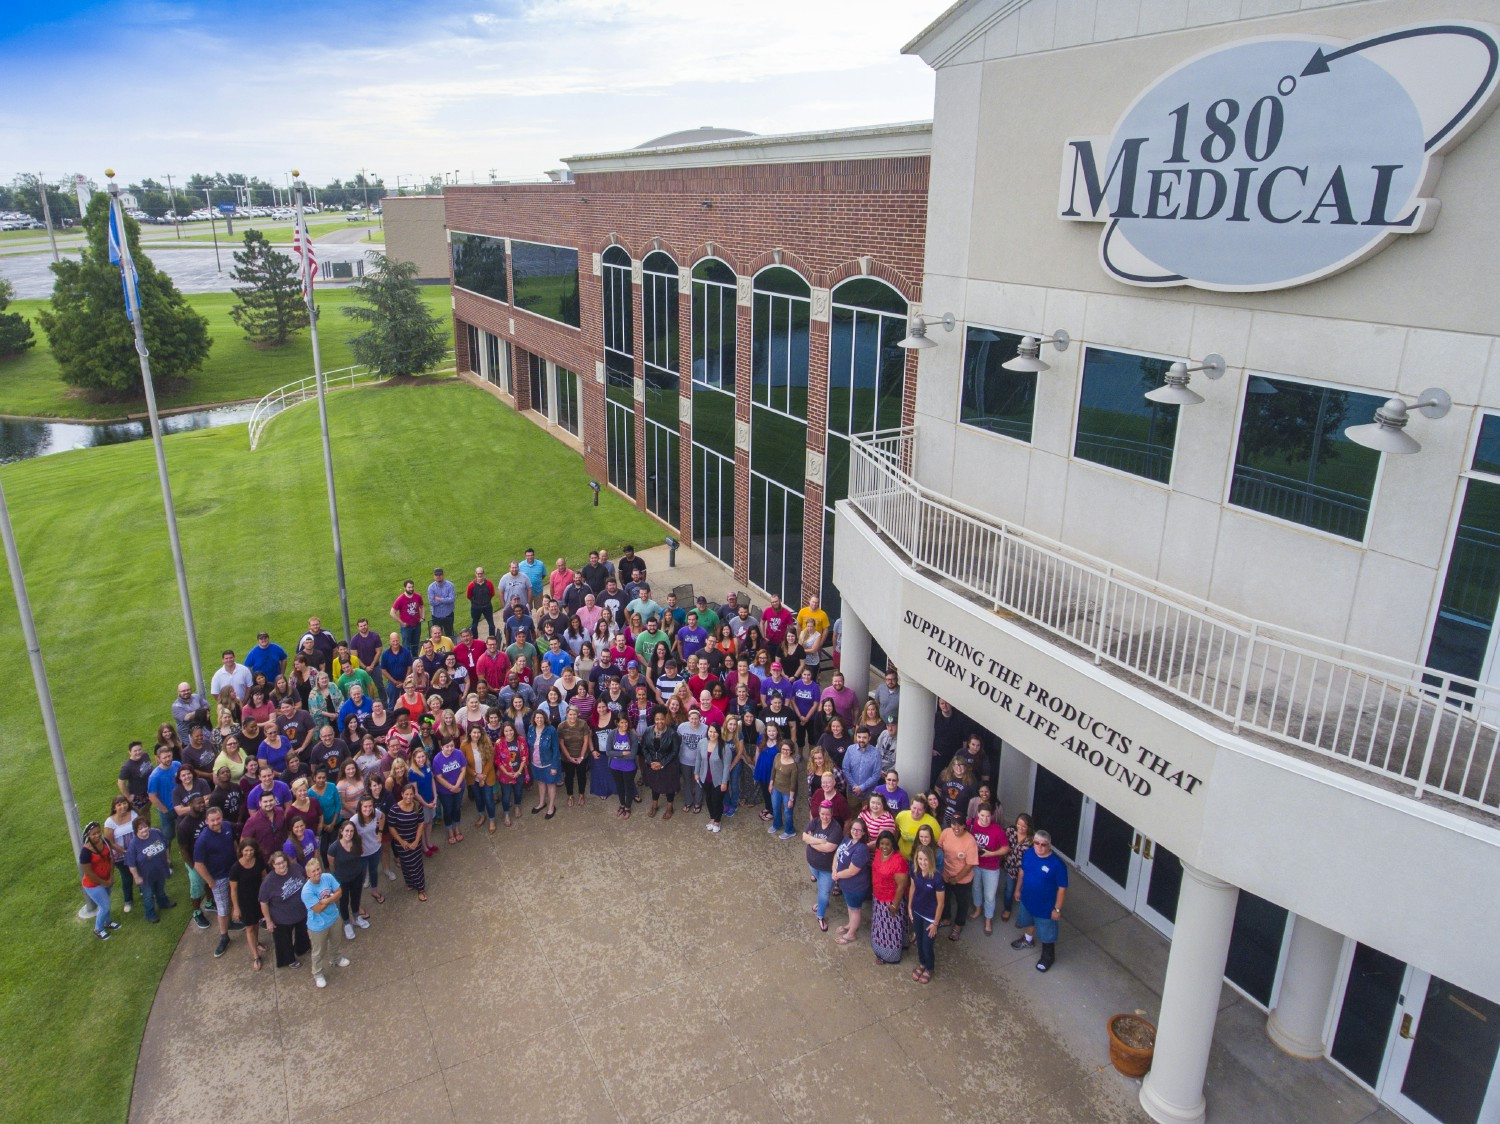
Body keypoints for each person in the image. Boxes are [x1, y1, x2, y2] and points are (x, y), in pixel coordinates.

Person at [1012, 828, 1067, 972]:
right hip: (1027, 900)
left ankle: (1048, 956)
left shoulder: (1057, 864)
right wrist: (1018, 889)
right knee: (1028, 922)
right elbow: (1022, 872)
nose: (1039, 847)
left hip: (1046, 908)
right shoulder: (1029, 854)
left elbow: (1062, 888)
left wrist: (1057, 909)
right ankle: (1027, 940)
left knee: (1047, 933)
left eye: (1043, 844)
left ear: (1049, 845)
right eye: (1036, 843)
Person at [192, 805, 236, 958]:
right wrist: (210, 881)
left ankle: (231, 923)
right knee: (223, 908)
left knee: (232, 900)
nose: (216, 822)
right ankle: (224, 936)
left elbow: (234, 844)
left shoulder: (227, 827)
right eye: (212, 820)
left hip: (233, 872)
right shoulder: (203, 840)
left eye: (218, 819)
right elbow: (198, 864)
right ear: (206, 821)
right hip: (218, 878)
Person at [300, 858, 350, 988]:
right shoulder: (306, 891)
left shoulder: (327, 877)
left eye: (318, 869)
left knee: (336, 942)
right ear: (308, 874)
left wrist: (325, 900)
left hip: (334, 918)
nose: (317, 873)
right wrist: (331, 898)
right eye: (313, 871)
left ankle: (336, 959)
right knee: (318, 951)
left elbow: (340, 892)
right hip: (317, 926)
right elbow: (317, 909)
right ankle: (317, 973)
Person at [258, 850, 311, 969]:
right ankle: (289, 960)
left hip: (301, 912)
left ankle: (302, 949)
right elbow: (264, 903)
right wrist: (269, 921)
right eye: (278, 864)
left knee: (303, 933)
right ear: (273, 865)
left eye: (283, 862)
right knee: (283, 942)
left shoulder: (296, 868)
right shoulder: (268, 883)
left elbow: (306, 879)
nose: (281, 865)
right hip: (281, 918)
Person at [869, 830, 909, 965]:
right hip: (878, 897)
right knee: (880, 926)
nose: (884, 847)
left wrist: (894, 906)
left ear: (893, 845)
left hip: (890, 901)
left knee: (889, 931)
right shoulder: (879, 853)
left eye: (888, 844)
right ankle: (881, 950)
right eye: (882, 844)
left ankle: (889, 956)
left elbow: (901, 886)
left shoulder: (898, 861)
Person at [907, 845, 946, 984]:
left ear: (931, 860)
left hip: (930, 917)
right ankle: (922, 963)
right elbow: (912, 887)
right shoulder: (915, 871)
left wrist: (935, 923)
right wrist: (909, 907)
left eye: (925, 859)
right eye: (920, 859)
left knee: (927, 945)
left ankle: (929, 968)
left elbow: (940, 904)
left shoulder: (937, 878)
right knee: (919, 942)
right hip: (917, 911)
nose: (922, 862)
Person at [802, 801, 843, 933]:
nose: (825, 817)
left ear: (832, 814)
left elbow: (829, 847)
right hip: (812, 864)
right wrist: (820, 841)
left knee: (824, 892)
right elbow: (804, 837)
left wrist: (811, 841)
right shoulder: (814, 822)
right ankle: (821, 903)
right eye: (822, 814)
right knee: (821, 887)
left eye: (827, 814)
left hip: (827, 869)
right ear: (819, 813)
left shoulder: (836, 828)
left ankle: (820, 916)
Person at [125, 816, 174, 923]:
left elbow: (165, 845)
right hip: (145, 876)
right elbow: (131, 863)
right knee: (148, 895)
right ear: (136, 831)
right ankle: (150, 914)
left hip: (160, 869)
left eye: (146, 826)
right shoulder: (133, 844)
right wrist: (136, 877)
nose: (144, 830)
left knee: (160, 889)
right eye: (140, 828)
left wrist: (168, 858)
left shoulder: (156, 833)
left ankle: (163, 903)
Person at [939, 815, 980, 942]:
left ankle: (958, 926)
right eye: (953, 824)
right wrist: (942, 871)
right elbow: (940, 849)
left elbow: (970, 864)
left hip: (962, 878)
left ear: (964, 826)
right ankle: (946, 919)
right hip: (945, 874)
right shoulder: (946, 833)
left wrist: (956, 878)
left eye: (959, 824)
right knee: (944, 898)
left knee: (962, 903)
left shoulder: (970, 840)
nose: (956, 827)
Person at [327, 820, 370, 941]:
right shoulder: (334, 848)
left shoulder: (357, 842)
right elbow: (331, 865)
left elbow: (360, 855)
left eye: (351, 831)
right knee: (343, 902)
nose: (349, 833)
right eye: (347, 830)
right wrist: (337, 879)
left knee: (356, 898)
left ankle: (356, 917)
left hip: (356, 876)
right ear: (341, 831)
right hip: (342, 880)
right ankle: (346, 923)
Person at [385, 784, 428, 902]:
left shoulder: (417, 806)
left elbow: (420, 824)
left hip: (415, 840)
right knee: (405, 863)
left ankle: (420, 888)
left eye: (411, 794)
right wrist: (401, 841)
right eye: (406, 794)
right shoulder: (395, 809)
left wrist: (416, 840)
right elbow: (392, 827)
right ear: (402, 794)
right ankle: (410, 882)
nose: (409, 797)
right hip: (401, 842)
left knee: (416, 865)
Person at [831, 818, 872, 944]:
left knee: (855, 909)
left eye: (859, 830)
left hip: (855, 886)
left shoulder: (862, 849)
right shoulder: (847, 839)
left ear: (864, 832)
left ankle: (851, 934)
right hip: (845, 883)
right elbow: (837, 853)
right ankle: (850, 925)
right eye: (854, 829)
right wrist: (834, 869)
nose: (855, 832)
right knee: (850, 907)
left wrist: (837, 875)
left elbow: (852, 871)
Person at [228, 841, 267, 969]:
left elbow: (263, 877)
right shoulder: (235, 868)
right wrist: (236, 908)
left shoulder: (259, 861)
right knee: (249, 928)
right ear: (241, 852)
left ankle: (256, 942)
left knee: (256, 924)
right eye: (246, 851)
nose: (249, 853)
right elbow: (233, 890)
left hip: (258, 899)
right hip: (245, 902)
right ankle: (256, 956)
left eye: (251, 850)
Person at [79, 820, 121, 940]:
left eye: (98, 832)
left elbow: (111, 859)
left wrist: (111, 877)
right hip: (93, 884)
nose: (97, 835)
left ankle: (107, 922)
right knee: (105, 906)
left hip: (107, 879)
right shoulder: (85, 853)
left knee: (106, 902)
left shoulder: (105, 842)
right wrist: (105, 882)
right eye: (93, 834)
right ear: (88, 836)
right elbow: (89, 873)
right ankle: (98, 929)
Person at [969, 805, 1007, 936]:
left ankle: (988, 919)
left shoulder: (997, 830)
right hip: (975, 864)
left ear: (992, 816)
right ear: (977, 814)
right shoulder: (971, 824)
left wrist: (990, 854)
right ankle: (978, 909)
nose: (985, 819)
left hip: (991, 867)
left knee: (990, 896)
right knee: (976, 888)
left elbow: (1005, 848)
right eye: (982, 815)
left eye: (988, 816)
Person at [639, 705, 680, 820]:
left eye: (662, 719)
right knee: (654, 785)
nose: (659, 721)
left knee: (669, 787)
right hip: (652, 763)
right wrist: (650, 761)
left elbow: (675, 751)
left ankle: (669, 807)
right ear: (654, 719)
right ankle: (654, 805)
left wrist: (662, 763)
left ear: (666, 718)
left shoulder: (672, 734)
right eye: (657, 719)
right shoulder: (648, 731)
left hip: (668, 764)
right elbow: (644, 747)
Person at [697, 722, 733, 833]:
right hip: (705, 777)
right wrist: (696, 773)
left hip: (718, 780)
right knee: (708, 798)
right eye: (710, 731)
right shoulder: (702, 743)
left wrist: (724, 782)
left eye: (715, 732)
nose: (712, 734)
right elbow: (698, 759)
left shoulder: (725, 747)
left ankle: (717, 820)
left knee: (717, 800)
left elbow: (727, 766)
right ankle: (712, 818)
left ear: (719, 733)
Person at [351, 796, 386, 904]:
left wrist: (380, 832)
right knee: (360, 876)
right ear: (360, 807)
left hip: (375, 849)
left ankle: (374, 891)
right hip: (361, 855)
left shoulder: (375, 812)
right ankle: (357, 900)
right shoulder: (354, 820)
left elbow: (383, 817)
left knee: (374, 871)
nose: (368, 809)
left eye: (370, 806)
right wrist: (357, 847)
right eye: (365, 806)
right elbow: (349, 836)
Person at [433, 738, 468, 843]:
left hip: (459, 788)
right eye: (447, 746)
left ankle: (457, 827)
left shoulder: (459, 753)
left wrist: (457, 785)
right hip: (445, 792)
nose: (450, 748)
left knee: (457, 808)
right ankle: (449, 830)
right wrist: (451, 787)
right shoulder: (437, 759)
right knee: (448, 810)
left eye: (452, 745)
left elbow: (463, 769)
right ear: (442, 747)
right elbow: (438, 777)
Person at [465, 726, 499, 834]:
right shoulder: (464, 745)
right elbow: (464, 763)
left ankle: (492, 820)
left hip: (487, 776)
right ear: (469, 733)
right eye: (474, 732)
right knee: (478, 799)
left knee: (489, 800)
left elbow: (490, 760)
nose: (476, 735)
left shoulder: (486, 743)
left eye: (478, 732)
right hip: (473, 778)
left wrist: (483, 775)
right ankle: (481, 816)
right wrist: (475, 774)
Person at [558, 704, 592, 810]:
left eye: (575, 714)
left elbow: (586, 741)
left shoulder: (583, 724)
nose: (572, 717)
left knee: (581, 775)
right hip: (567, 757)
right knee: (569, 777)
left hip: (582, 756)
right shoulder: (562, 726)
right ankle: (570, 795)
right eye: (570, 714)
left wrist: (581, 757)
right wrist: (569, 757)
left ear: (578, 714)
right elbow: (561, 744)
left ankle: (581, 794)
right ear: (567, 714)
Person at [606, 713, 639, 817]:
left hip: (629, 767)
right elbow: (608, 752)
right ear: (617, 723)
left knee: (628, 787)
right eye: (622, 722)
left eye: (626, 722)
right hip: (615, 766)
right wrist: (622, 753)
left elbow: (633, 755)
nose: (624, 725)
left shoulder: (632, 735)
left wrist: (616, 755)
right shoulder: (612, 734)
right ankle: (622, 804)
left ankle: (628, 807)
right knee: (619, 786)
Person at [529, 709, 561, 818]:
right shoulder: (531, 729)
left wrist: (554, 766)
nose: (539, 720)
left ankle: (551, 806)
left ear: (545, 719)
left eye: (541, 717)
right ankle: (542, 803)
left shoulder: (551, 730)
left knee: (551, 784)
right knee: (541, 783)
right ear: (534, 719)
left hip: (548, 764)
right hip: (535, 763)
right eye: (537, 717)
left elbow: (556, 749)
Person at [768, 733, 799, 840]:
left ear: (791, 751)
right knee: (775, 808)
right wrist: (771, 784)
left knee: (788, 812)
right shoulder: (777, 756)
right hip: (776, 788)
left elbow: (793, 784)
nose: (785, 752)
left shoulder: (793, 766)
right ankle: (777, 824)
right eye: (783, 749)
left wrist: (791, 799)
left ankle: (790, 830)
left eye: (787, 750)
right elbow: (773, 770)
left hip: (787, 792)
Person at [842, 727, 882, 807]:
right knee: (853, 816)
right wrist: (855, 786)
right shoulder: (850, 749)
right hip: (852, 792)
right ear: (856, 737)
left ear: (869, 738)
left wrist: (862, 787)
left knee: (868, 817)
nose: (861, 740)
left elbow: (876, 775)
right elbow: (845, 769)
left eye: (864, 737)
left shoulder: (876, 753)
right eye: (859, 737)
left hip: (869, 794)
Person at [895, 795, 941, 862]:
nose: (916, 812)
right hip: (902, 857)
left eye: (920, 809)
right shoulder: (901, 816)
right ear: (910, 806)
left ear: (924, 810)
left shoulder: (932, 823)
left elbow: (937, 842)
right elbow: (896, 833)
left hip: (920, 861)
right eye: (914, 808)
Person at [391, 579, 425, 651]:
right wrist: (402, 623)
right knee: (406, 647)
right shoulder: (400, 599)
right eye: (409, 587)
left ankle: (415, 659)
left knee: (416, 645)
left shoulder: (417, 596)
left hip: (417, 625)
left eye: (412, 587)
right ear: (405, 588)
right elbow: (392, 612)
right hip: (406, 627)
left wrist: (422, 617)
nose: (411, 589)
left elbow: (422, 606)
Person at [428, 567, 456, 637]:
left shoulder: (450, 585)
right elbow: (432, 602)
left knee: (449, 634)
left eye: (440, 574)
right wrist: (445, 599)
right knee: (436, 635)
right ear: (434, 576)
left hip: (448, 615)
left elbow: (452, 599)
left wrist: (440, 599)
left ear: (443, 575)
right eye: (436, 575)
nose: (438, 576)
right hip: (436, 616)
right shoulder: (431, 587)